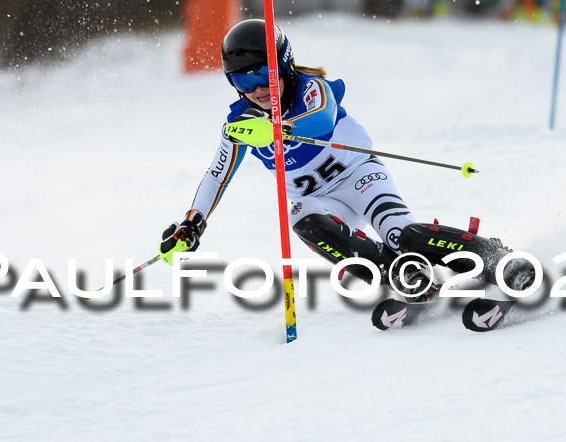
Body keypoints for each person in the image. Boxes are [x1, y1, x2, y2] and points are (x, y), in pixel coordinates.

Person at [159, 19, 534, 313]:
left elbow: (322, 118)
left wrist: (281, 130)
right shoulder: (240, 125)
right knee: (302, 218)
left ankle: (492, 256)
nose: (258, 88)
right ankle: (404, 275)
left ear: (284, 65)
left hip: (361, 179)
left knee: (402, 235)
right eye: (244, 80)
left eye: (265, 75)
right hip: (323, 202)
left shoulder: (309, 89)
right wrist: (193, 223)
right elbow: (216, 174)